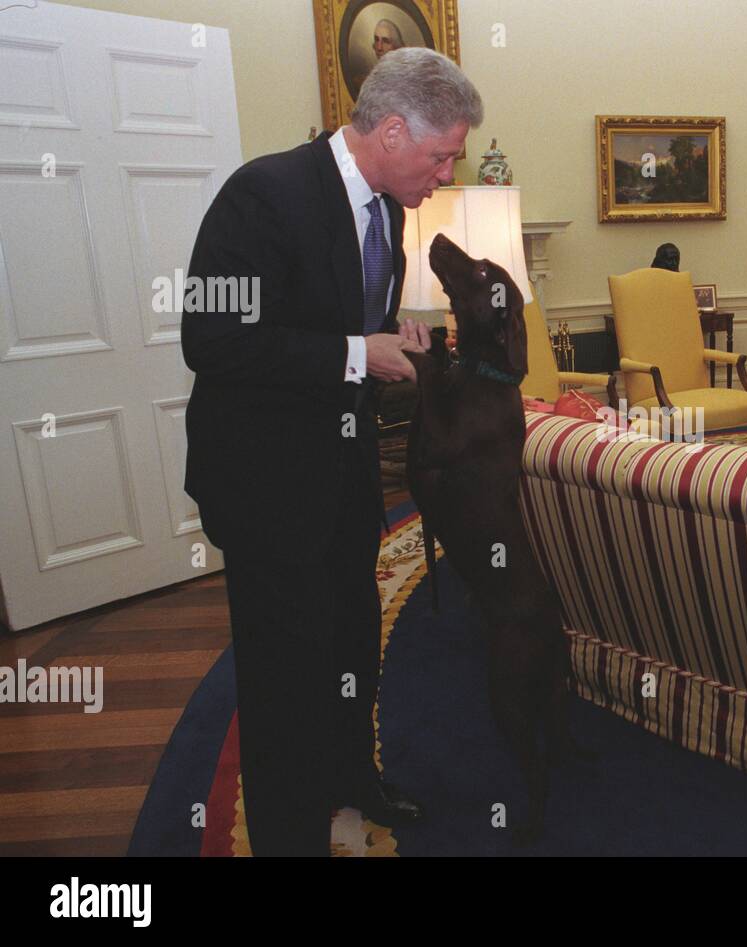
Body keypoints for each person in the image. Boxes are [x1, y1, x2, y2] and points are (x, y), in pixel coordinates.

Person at [181, 47, 483, 856]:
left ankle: (354, 779)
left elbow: (343, 333)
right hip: (264, 484)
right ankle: (286, 832)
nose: (445, 172)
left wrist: (395, 353)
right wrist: (359, 353)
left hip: (344, 474)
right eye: (441, 154)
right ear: (390, 130)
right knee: (284, 670)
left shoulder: (389, 209)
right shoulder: (262, 194)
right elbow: (210, 340)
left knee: (354, 636)